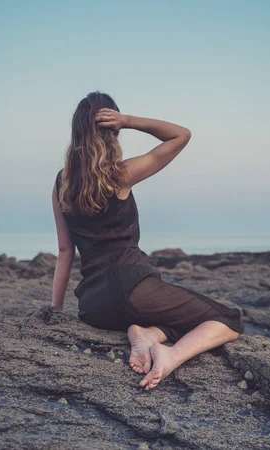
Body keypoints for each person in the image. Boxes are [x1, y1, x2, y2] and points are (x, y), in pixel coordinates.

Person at [51, 91, 244, 391]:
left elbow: (65, 251)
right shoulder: (120, 175)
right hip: (135, 287)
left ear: (76, 130)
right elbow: (181, 136)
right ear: (111, 130)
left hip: (94, 307)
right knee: (228, 319)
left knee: (175, 318)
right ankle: (170, 355)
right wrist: (127, 120)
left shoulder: (61, 182)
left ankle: (147, 336)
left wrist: (56, 313)